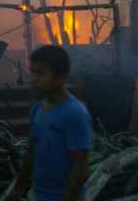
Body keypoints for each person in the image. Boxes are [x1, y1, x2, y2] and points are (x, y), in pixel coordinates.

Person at [10, 45, 92, 201]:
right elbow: (32, 152)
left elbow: (80, 167)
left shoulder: (75, 113)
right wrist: (18, 189)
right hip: (39, 195)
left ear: (61, 77)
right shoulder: (38, 110)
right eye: (32, 72)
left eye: (40, 73)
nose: (33, 78)